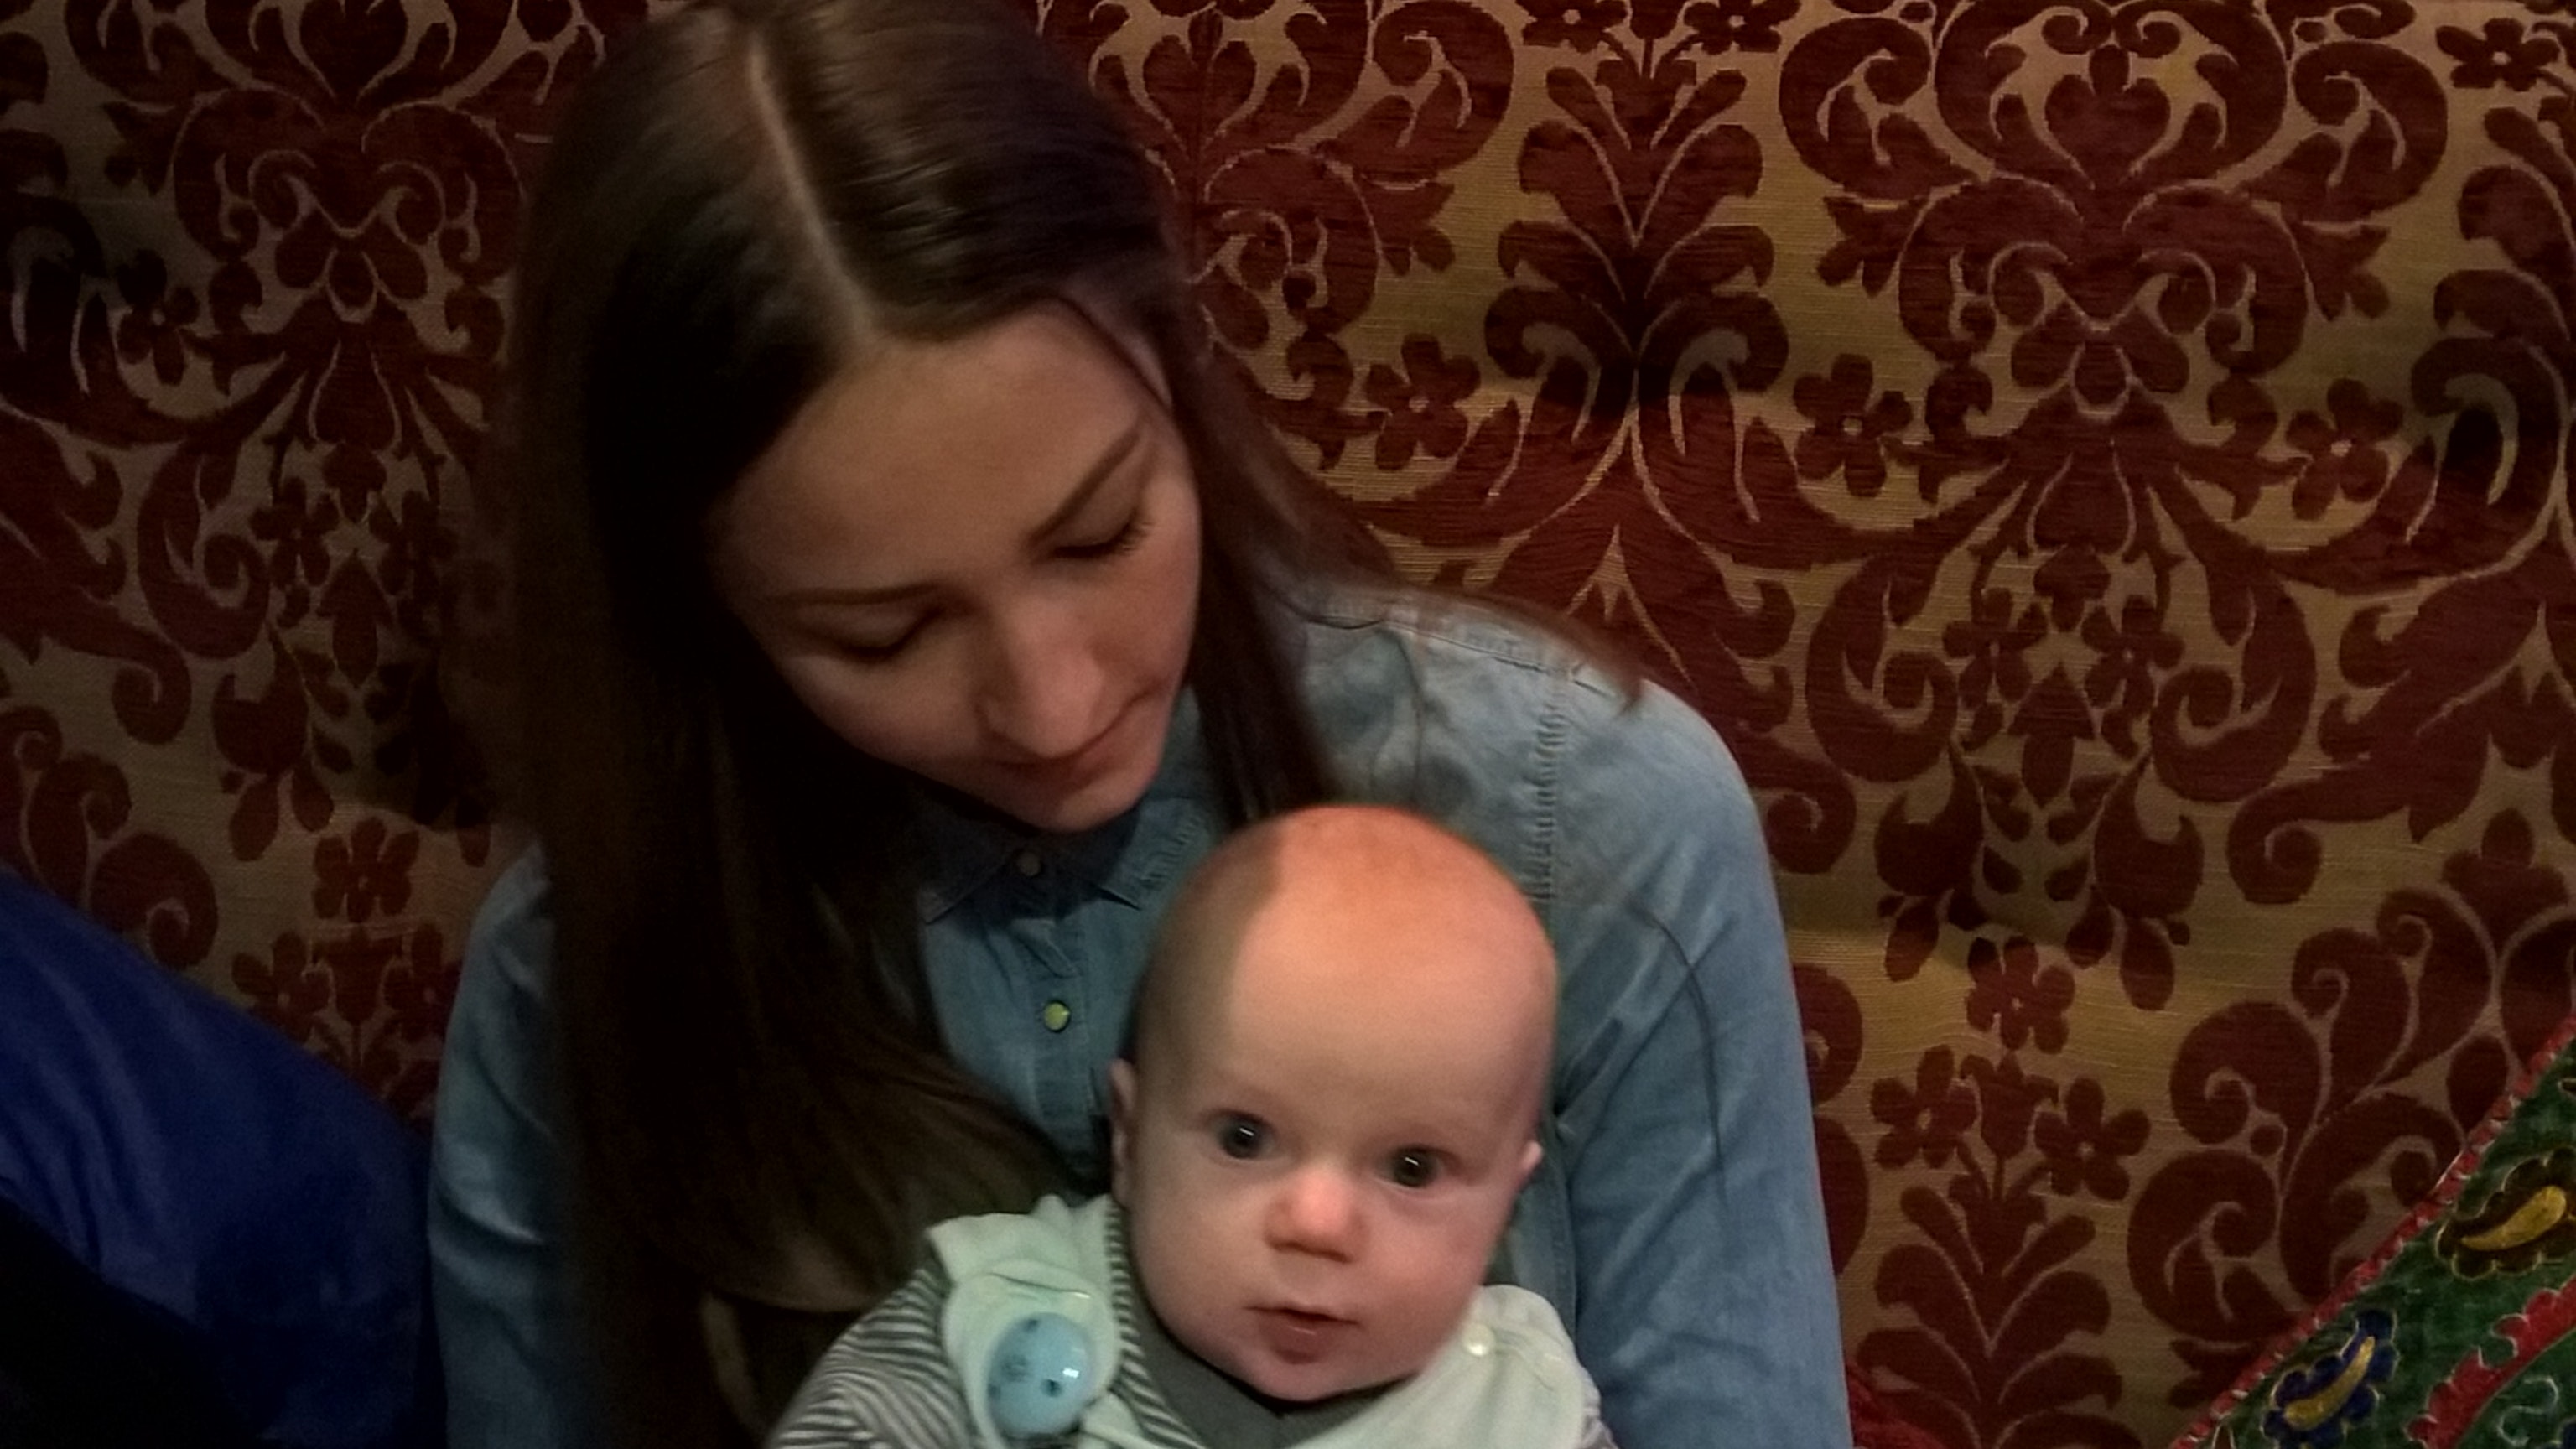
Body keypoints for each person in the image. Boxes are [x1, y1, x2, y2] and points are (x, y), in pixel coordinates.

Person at [428, 0, 1849, 1444]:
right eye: (884, 633)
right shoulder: (576, 973)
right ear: (701, 606)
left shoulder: (1589, 823)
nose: (1052, 706)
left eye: (1099, 533)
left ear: (1178, 366)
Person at [771, 804, 1607, 1449]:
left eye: (1413, 1167)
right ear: (1129, 1139)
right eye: (1244, 1137)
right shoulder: (996, 1318)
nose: (1317, 1225)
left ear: (1505, 1205)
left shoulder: (1528, 1413)